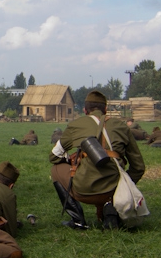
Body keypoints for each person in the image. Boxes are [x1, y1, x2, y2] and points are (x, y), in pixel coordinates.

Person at [49, 90, 145, 229]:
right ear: (105, 109)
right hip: (115, 189)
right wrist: (123, 186)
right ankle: (111, 205)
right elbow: (139, 167)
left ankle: (77, 220)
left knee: (56, 169)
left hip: (84, 190)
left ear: (85, 110)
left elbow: (53, 157)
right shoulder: (121, 126)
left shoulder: (76, 125)